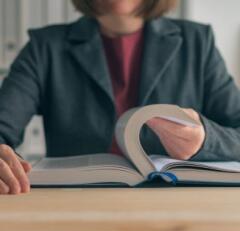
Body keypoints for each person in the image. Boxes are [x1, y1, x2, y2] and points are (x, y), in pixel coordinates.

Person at [0, 0, 240, 195]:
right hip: (74, 205)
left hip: (177, 206)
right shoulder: (45, 47)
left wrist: (204, 140)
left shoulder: (198, 42)